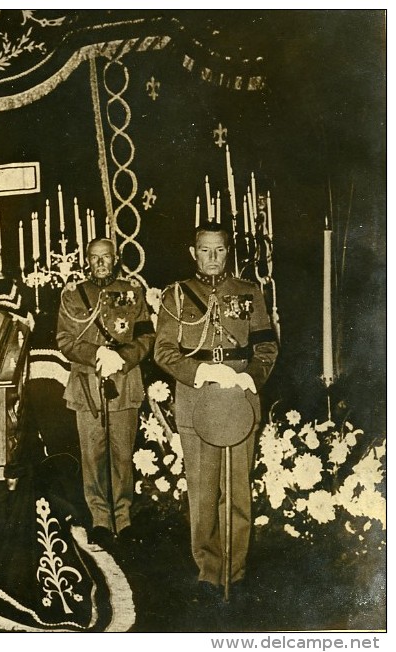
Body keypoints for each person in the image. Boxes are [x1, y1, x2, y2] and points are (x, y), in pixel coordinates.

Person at [154, 223, 278, 600]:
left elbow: (267, 347)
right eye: (204, 251)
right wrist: (201, 371)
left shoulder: (249, 293)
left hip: (238, 398)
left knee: (238, 490)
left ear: (229, 252)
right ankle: (209, 572)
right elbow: (163, 351)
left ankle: (235, 571)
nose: (212, 258)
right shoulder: (175, 297)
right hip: (197, 399)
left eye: (219, 251)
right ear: (193, 252)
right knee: (203, 490)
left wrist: (250, 378)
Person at [56, 238, 155, 544]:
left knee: (123, 454)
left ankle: (123, 518)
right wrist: (96, 354)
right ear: (87, 260)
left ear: (116, 260)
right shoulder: (73, 296)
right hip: (87, 386)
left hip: (124, 383)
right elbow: (64, 339)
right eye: (94, 258)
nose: (100, 263)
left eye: (106, 257)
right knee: (93, 455)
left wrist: (122, 357)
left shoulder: (133, 292)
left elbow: (147, 336)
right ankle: (100, 517)